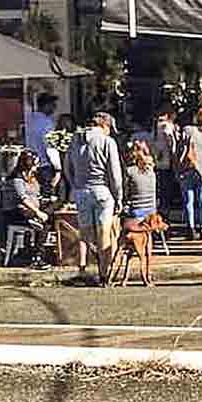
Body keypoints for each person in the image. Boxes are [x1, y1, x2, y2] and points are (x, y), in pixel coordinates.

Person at [65, 110, 124, 283]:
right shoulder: (107, 141)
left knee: (85, 232)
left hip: (81, 191)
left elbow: (67, 167)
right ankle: (104, 273)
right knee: (104, 232)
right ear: (104, 125)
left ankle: (82, 269)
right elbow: (115, 174)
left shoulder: (75, 140)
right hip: (102, 191)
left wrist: (75, 185)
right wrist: (118, 196)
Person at [0, 151, 50, 267]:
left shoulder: (33, 178)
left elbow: (36, 194)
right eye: (35, 164)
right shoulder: (16, 179)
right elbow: (22, 198)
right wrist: (38, 212)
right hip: (15, 212)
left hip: (30, 210)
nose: (37, 167)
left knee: (48, 219)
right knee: (43, 225)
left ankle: (34, 253)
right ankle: (37, 257)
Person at [179, 108, 202, 240]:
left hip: (187, 169)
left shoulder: (188, 130)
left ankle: (191, 227)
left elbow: (181, 148)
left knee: (189, 200)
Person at [150, 109, 181, 220]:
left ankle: (163, 213)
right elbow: (170, 142)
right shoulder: (166, 126)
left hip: (159, 160)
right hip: (168, 160)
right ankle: (165, 214)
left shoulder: (156, 126)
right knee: (166, 189)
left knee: (163, 188)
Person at [25, 93, 60, 179]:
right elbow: (49, 146)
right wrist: (57, 168)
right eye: (53, 105)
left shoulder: (29, 119)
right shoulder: (47, 122)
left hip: (30, 165)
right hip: (44, 166)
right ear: (46, 105)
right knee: (47, 191)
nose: (55, 108)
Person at [124, 139, 158, 219]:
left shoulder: (130, 171)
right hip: (152, 212)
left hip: (136, 211)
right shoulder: (151, 170)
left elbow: (126, 193)